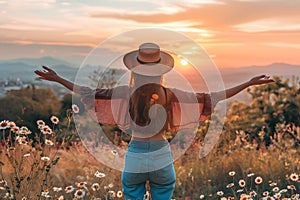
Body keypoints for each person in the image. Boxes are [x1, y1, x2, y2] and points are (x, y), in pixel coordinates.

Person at [34, 42, 274, 199]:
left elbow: (86, 92)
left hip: (135, 156)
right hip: (161, 155)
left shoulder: (123, 94)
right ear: (161, 71)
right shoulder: (172, 96)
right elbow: (214, 97)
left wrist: (58, 79)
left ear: (134, 70)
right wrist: (248, 83)